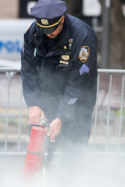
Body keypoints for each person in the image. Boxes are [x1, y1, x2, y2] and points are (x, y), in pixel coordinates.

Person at [21, 0, 98, 170]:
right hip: (46, 97)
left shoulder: (83, 37)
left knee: (73, 152)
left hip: (77, 101)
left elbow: (79, 82)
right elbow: (27, 69)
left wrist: (62, 117)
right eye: (44, 29)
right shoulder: (33, 32)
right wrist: (33, 103)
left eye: (52, 29)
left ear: (62, 19)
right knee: (40, 150)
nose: (48, 33)